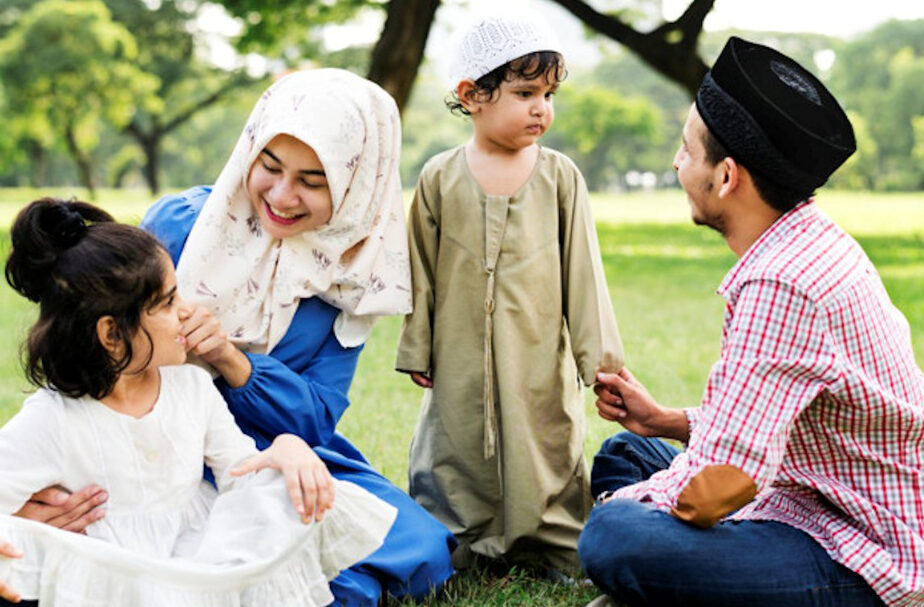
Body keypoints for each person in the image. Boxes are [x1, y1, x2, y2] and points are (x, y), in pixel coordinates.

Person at [578, 36, 924, 607]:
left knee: (614, 537)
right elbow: (767, 423)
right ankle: (678, 579)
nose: (675, 162)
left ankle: (662, 581)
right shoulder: (806, 236)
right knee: (627, 453)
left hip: (859, 540)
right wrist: (665, 420)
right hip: (805, 486)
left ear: (727, 176)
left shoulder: (781, 281)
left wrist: (626, 508)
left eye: (687, 151)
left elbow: (727, 476)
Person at [138, 68, 455, 605]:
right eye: (270, 165)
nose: (282, 197)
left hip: (282, 449)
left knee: (419, 545)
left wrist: (230, 359)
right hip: (158, 442)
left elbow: (315, 418)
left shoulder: (354, 272)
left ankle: (302, 584)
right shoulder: (182, 225)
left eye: (313, 180)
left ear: (356, 185)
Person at [0, 198, 397, 606]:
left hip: (198, 557)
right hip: (115, 578)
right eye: (169, 303)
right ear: (112, 335)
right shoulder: (53, 419)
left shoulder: (190, 385)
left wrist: (286, 449)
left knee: (282, 487)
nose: (188, 311)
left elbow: (241, 472)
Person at [395, 14, 623, 573]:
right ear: (471, 95)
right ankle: (459, 539)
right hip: (459, 352)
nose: (541, 107)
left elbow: (584, 275)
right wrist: (419, 347)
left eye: (548, 94)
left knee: (543, 441)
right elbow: (419, 268)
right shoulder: (439, 176)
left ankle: (548, 540)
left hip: (537, 351)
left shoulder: (560, 176)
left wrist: (603, 366)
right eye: (525, 93)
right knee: (456, 441)